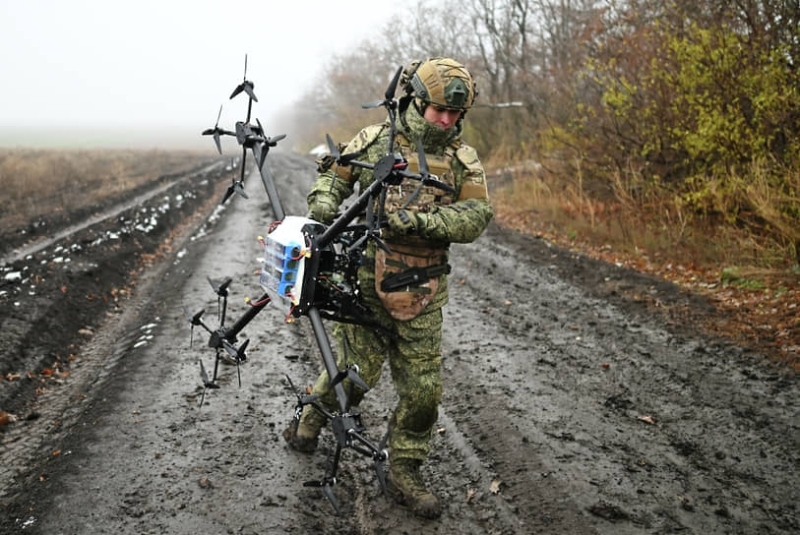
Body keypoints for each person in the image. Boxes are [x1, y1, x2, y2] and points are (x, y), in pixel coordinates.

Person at [283, 57, 493, 519]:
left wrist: (419, 221)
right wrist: (320, 214)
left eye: (455, 114)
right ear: (416, 101)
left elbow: (477, 216)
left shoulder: (462, 160)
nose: (446, 120)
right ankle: (311, 418)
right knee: (355, 375)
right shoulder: (376, 140)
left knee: (423, 393)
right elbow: (331, 178)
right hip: (366, 282)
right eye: (438, 110)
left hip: (424, 289)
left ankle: (405, 470)